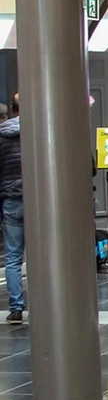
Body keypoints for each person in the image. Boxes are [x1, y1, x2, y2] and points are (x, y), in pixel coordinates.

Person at [0, 94, 20, 325]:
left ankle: (16, 307)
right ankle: (43, 303)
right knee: (40, 255)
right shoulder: (39, 131)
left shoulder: (2, 135)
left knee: (13, 256)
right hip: (36, 200)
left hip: (10, 199)